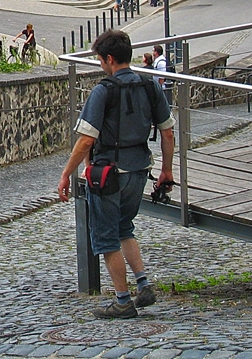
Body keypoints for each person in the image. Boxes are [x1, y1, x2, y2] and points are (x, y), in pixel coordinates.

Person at [57, 29, 175, 319]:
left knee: (107, 238)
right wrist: (167, 170)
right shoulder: (150, 86)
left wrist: (66, 174)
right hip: (140, 170)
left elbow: (86, 139)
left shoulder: (103, 90)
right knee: (125, 227)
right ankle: (143, 283)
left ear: (109, 59)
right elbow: (168, 132)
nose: (100, 65)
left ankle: (122, 300)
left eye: (100, 60)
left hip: (109, 174)